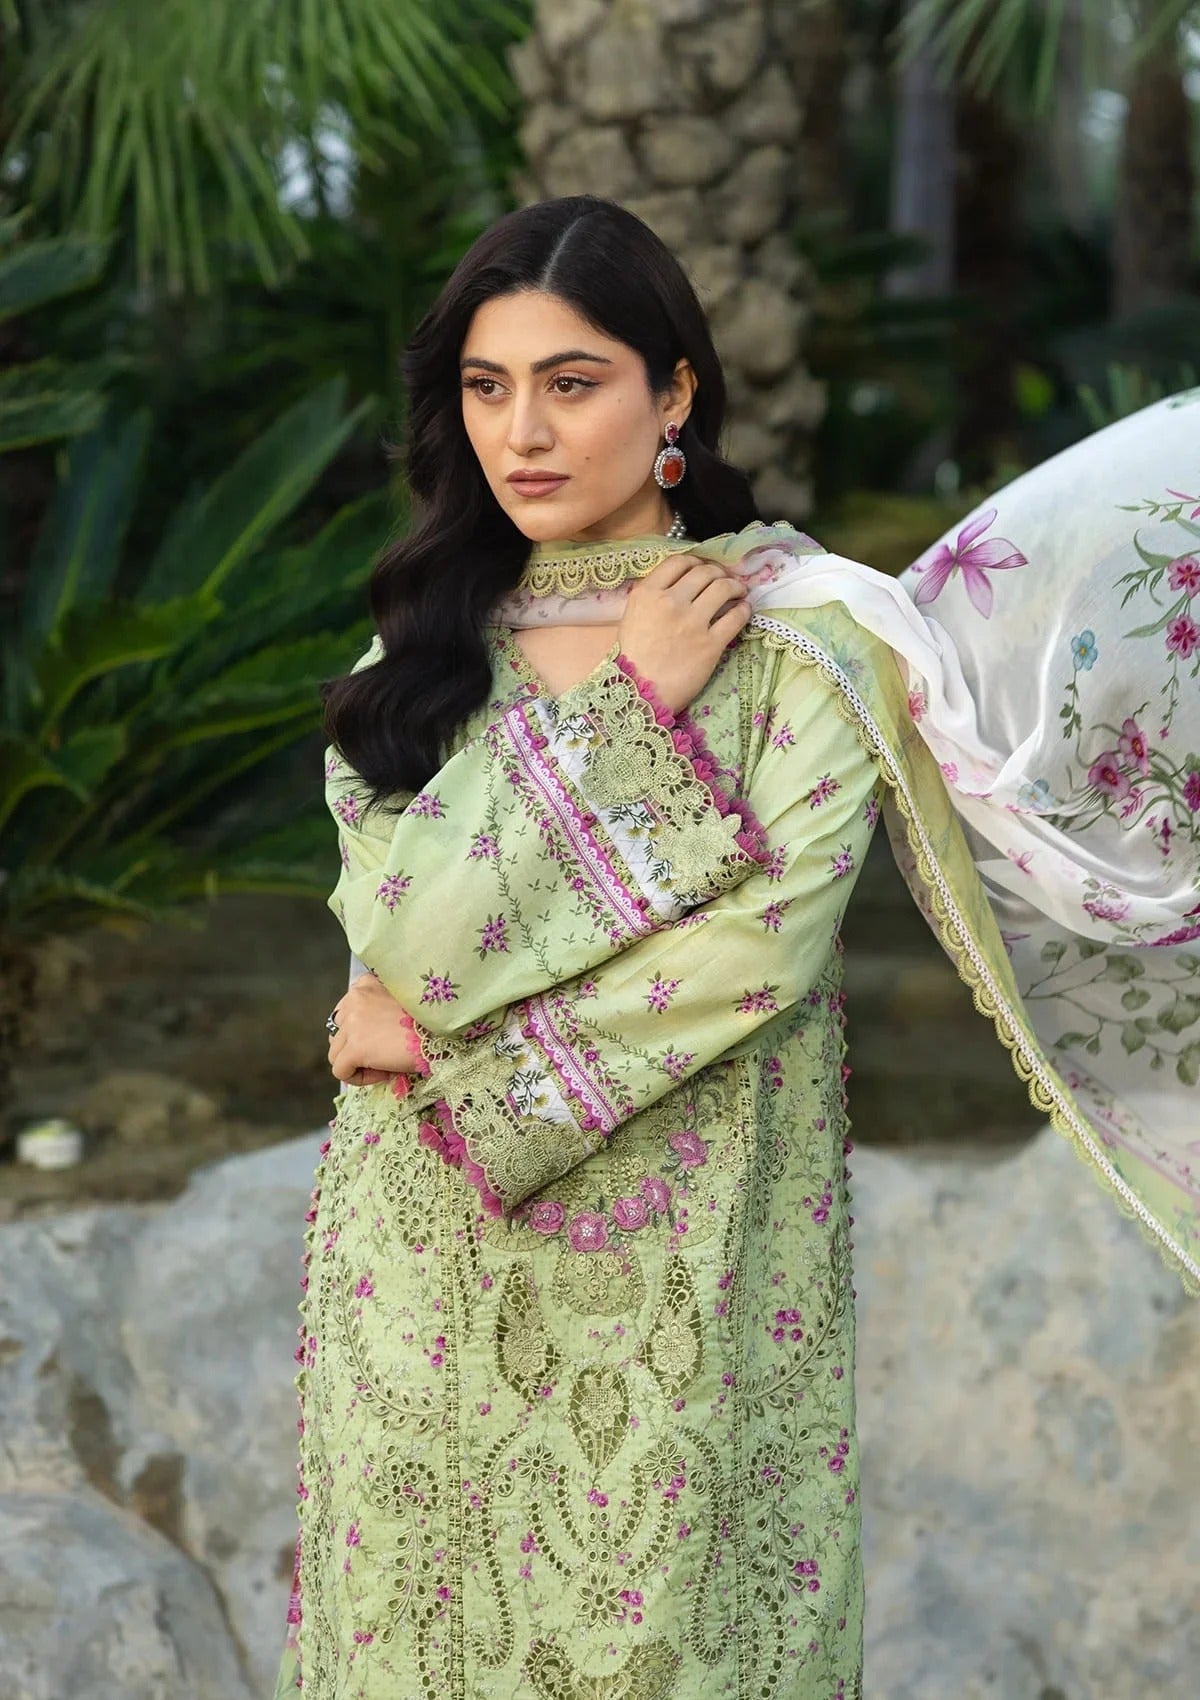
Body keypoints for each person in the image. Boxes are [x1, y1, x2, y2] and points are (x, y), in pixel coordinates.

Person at [273, 195, 1199, 1700]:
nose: (523, 432)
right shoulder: (415, 659)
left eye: (573, 382)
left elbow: (746, 966)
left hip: (689, 1263)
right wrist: (627, 705)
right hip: (420, 1268)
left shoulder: (808, 646)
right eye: (488, 387)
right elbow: (417, 935)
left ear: (675, 394)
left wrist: (443, 1052)